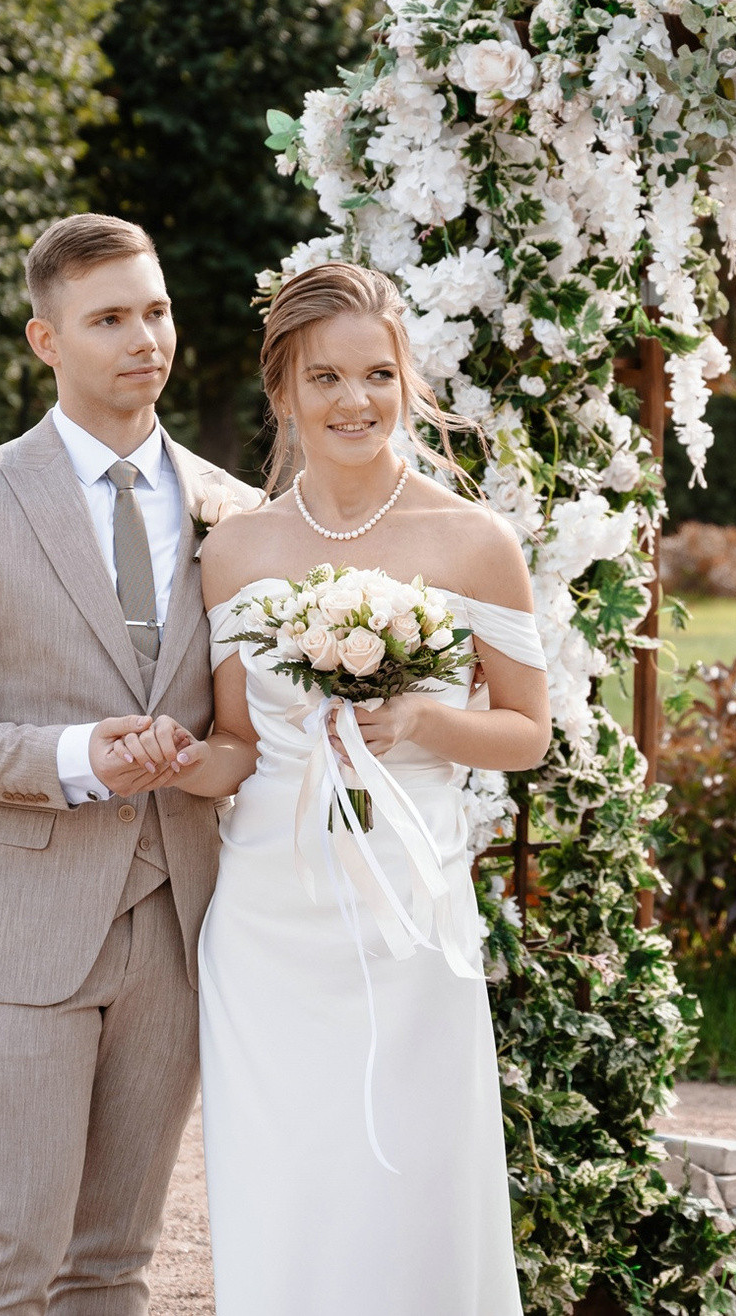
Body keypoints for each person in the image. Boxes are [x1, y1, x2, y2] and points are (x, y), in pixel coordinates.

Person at [0, 213, 265, 1316]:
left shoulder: (237, 513)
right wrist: (72, 755)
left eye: (157, 311)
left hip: (182, 930)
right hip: (25, 932)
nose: (145, 340)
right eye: (109, 319)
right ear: (45, 340)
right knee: (8, 1254)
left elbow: (253, 724)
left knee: (113, 1262)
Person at [196, 260, 552, 1315]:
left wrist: (427, 722)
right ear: (282, 391)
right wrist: (173, 765)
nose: (355, 401)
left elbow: (527, 733)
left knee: (414, 1173)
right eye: (325, 378)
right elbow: (235, 741)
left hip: (410, 911)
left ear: (408, 380)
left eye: (377, 376)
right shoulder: (236, 549)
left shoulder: (474, 542)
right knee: (286, 1179)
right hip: (267, 919)